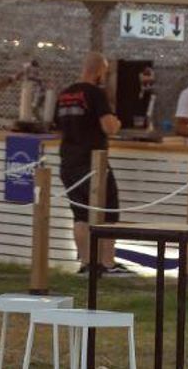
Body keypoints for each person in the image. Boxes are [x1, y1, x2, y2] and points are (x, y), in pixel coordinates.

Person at [56, 53, 127, 275]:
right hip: (93, 164)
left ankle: (86, 264)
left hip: (68, 161)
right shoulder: (95, 93)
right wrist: (117, 122)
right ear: (99, 71)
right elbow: (109, 127)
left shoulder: (65, 94)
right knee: (108, 213)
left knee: (80, 215)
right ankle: (107, 264)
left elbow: (56, 124)